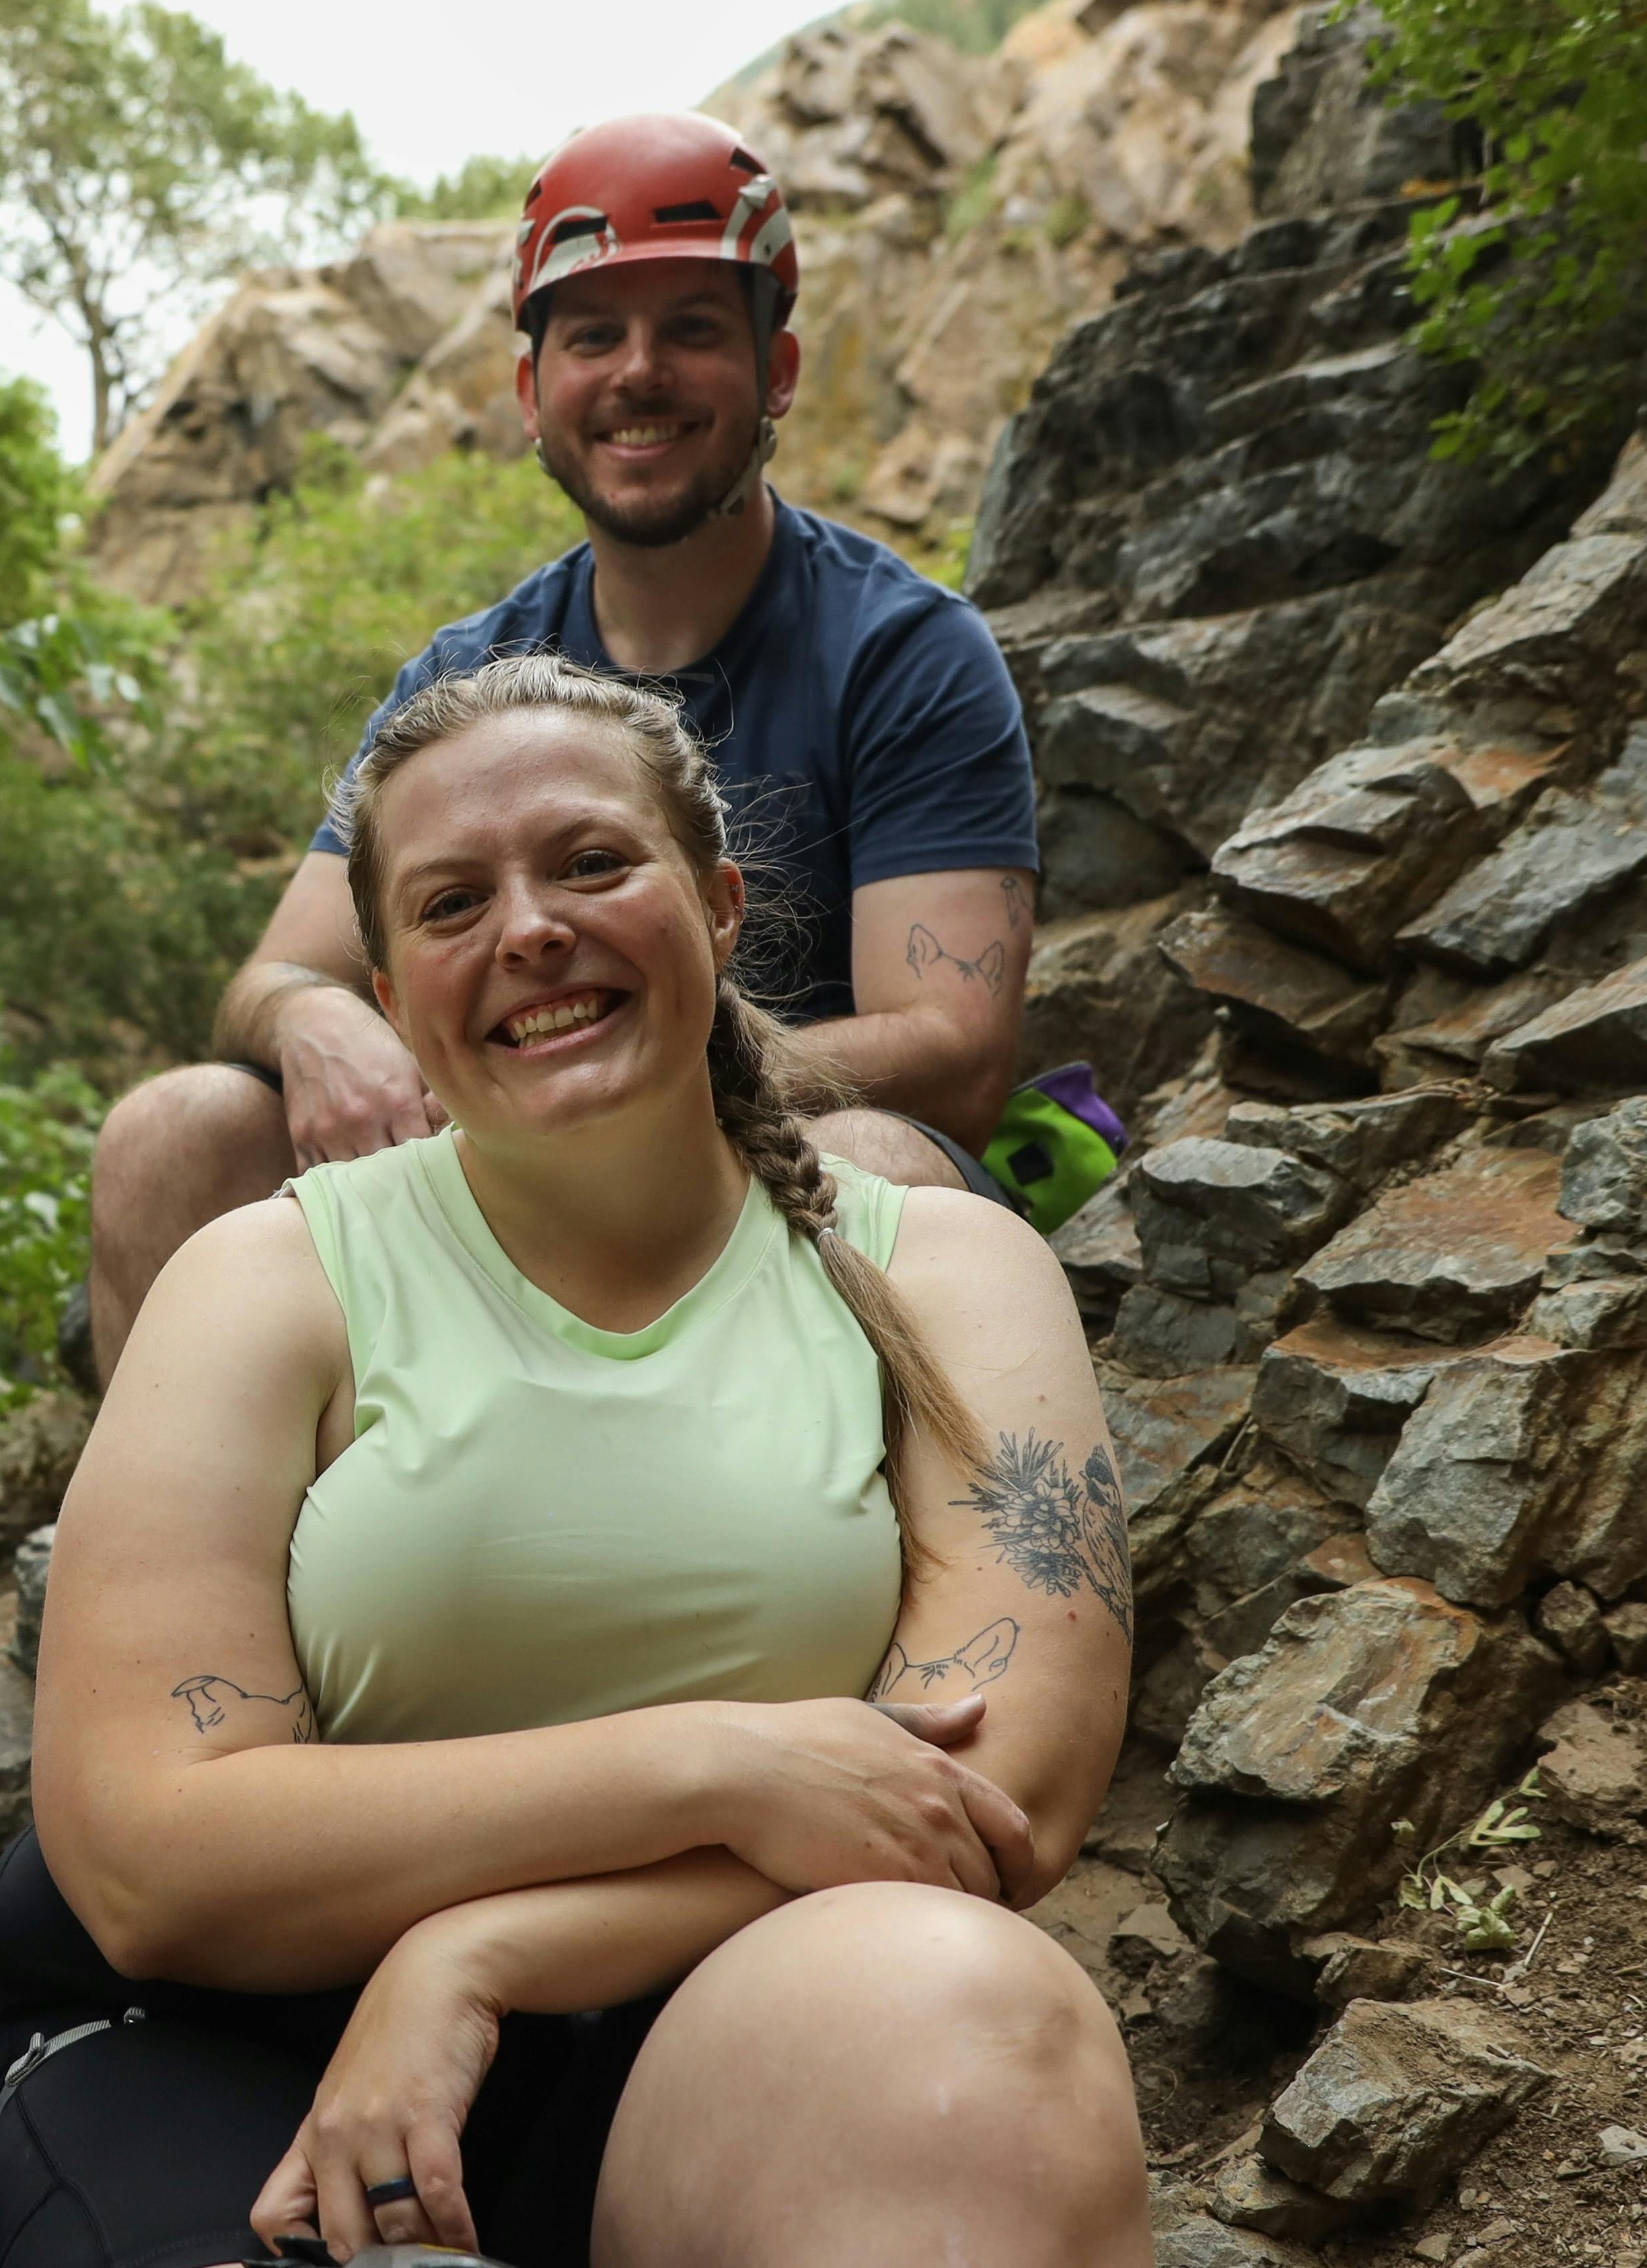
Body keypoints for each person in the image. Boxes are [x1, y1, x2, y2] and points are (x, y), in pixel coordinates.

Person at [0, 657, 1159, 2268]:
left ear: (719, 905)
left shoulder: (942, 1274)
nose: (530, 931)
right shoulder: (271, 1279)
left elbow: (982, 1811)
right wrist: (716, 1755)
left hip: (705, 2026)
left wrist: (484, 1946)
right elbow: (146, 1847)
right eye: (453, 900)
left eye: (592, 864)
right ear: (394, 995)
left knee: (979, 2031)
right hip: (228, 2052)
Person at [80, 111, 1046, 1385]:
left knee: (883, 1159)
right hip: (498, 1168)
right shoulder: (464, 678)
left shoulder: (902, 653)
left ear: (779, 369)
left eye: (694, 329)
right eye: (594, 335)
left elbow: (956, 1058)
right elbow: (267, 982)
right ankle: (187, 1554)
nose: (638, 372)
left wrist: (613, 1073)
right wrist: (321, 1023)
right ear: (535, 390)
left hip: (766, 1177)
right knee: (177, 1128)